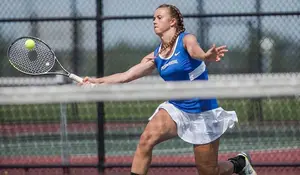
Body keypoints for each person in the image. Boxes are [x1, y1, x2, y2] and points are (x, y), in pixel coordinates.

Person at [80, 4, 257, 175]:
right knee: (146, 141)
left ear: (172, 22)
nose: (154, 21)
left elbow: (196, 51)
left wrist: (205, 56)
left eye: (159, 17)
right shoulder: (156, 55)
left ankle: (239, 163)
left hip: (203, 112)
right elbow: (127, 75)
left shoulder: (187, 39)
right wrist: (97, 81)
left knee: (209, 171)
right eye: (153, 18)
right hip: (177, 109)